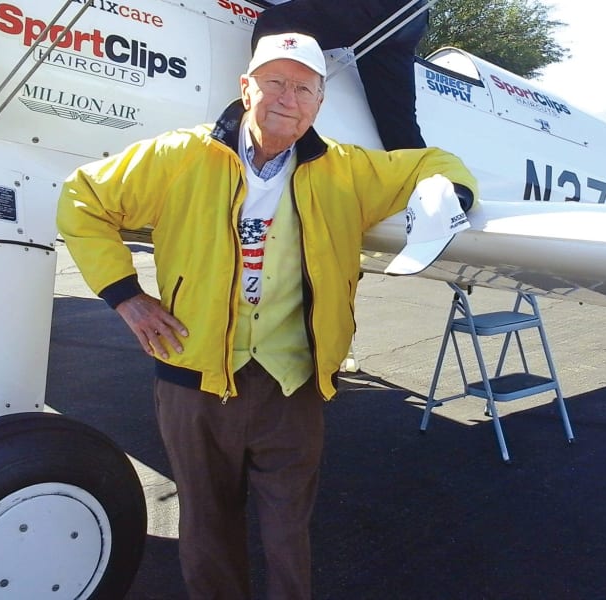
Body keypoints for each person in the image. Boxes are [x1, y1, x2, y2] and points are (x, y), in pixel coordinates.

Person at [57, 32, 476, 600]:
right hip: (195, 377)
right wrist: (125, 294)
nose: (288, 97)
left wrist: (447, 192)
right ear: (245, 87)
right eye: (274, 81)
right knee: (206, 526)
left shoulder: (345, 170)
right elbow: (82, 200)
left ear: (320, 102)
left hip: (293, 383)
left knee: (288, 532)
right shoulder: (181, 155)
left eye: (304, 87)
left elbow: (432, 161)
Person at [252, 0, 429, 150]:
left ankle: (268, 143)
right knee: (397, 119)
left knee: (275, 26)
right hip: (412, 16)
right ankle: (429, 181)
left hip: (376, 7)